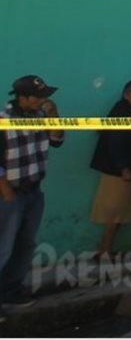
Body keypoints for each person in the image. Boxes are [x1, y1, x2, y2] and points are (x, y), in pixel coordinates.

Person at [0, 75, 64, 316]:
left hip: (34, 191)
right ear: (23, 98)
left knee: (25, 245)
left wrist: (53, 114)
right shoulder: (3, 120)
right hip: (9, 194)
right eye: (39, 97)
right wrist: (4, 189)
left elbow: (57, 140)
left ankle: (11, 291)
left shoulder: (40, 118)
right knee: (3, 247)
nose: (43, 100)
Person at [89, 80, 131, 259]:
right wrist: (123, 167)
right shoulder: (121, 112)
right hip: (119, 173)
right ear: (126, 94)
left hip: (128, 170)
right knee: (114, 214)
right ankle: (103, 251)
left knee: (120, 214)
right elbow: (116, 141)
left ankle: (106, 249)